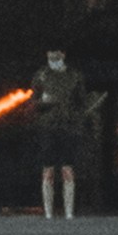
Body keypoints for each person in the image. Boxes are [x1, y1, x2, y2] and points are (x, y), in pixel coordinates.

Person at [31, 46, 92, 222]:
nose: (52, 57)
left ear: (63, 54)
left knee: (67, 169)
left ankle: (69, 213)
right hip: (47, 128)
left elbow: (82, 103)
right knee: (48, 169)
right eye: (49, 53)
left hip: (68, 128)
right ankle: (48, 213)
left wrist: (76, 119)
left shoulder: (75, 76)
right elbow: (33, 101)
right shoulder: (41, 75)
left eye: (56, 53)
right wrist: (42, 102)